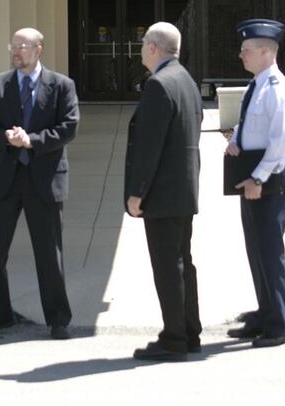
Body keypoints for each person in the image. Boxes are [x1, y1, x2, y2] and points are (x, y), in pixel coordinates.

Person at [0, 26, 80, 340]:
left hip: (44, 180)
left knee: (49, 253)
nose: (16, 51)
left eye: (23, 46)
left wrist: (31, 141)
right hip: (4, 179)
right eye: (14, 46)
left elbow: (69, 128)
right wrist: (6, 137)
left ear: (38, 50)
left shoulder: (62, 85)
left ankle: (58, 319)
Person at [123, 20, 203, 361]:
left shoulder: (158, 84)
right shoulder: (185, 79)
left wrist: (137, 193)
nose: (141, 49)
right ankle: (189, 332)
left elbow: (149, 147)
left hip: (163, 193)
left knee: (168, 268)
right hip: (183, 190)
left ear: (154, 48)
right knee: (183, 263)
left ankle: (174, 340)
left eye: (143, 44)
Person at [223, 18, 285, 348]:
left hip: (267, 178)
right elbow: (247, 124)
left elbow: (280, 143)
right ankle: (264, 314)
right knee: (256, 250)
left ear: (266, 51)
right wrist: (235, 140)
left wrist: (257, 178)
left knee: (270, 251)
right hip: (252, 174)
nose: (242, 55)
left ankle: (279, 325)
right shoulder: (257, 86)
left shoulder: (279, 89)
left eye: (247, 50)